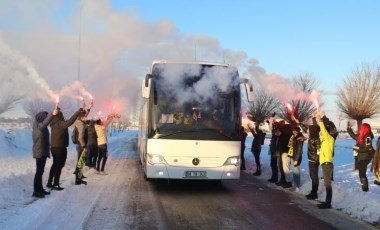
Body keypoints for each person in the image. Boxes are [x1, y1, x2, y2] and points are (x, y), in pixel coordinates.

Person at [47, 107, 84, 190]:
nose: (63, 117)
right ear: (59, 116)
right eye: (62, 115)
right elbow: (70, 122)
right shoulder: (59, 123)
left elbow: (69, 121)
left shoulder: (54, 122)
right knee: (59, 166)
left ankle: (50, 182)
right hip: (60, 148)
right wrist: (77, 112)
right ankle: (56, 184)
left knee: (55, 165)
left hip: (54, 148)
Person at [292, 115, 321, 200]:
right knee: (312, 176)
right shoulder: (312, 136)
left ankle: (314, 193)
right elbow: (305, 129)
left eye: (310, 129)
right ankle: (313, 191)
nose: (307, 130)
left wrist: (316, 159)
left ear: (313, 131)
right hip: (311, 159)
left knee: (314, 176)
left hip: (314, 160)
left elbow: (319, 151)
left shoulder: (316, 139)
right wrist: (299, 122)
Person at [32, 108, 58, 198]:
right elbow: (43, 125)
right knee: (39, 172)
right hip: (39, 152)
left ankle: (40, 189)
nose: (47, 118)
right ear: (42, 117)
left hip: (42, 152)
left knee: (41, 171)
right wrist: (52, 114)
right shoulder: (39, 126)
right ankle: (36, 191)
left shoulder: (41, 126)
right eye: (46, 117)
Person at [347, 122, 374, 192]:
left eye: (361, 128)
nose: (360, 129)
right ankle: (364, 189)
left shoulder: (368, 137)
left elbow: (367, 148)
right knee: (361, 173)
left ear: (364, 129)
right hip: (362, 157)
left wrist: (357, 148)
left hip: (365, 158)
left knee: (362, 174)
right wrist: (349, 129)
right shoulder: (362, 136)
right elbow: (354, 136)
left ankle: (365, 190)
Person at [316, 113, 335, 209]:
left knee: (328, 184)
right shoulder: (323, 140)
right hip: (324, 164)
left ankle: (328, 203)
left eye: (322, 132)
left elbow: (323, 130)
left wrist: (320, 120)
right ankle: (327, 202)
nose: (321, 133)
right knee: (326, 183)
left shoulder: (329, 138)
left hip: (327, 164)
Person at [283, 126, 305, 191]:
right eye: (293, 131)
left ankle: (297, 186)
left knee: (296, 172)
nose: (293, 132)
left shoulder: (299, 138)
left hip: (296, 157)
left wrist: (296, 159)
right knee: (294, 171)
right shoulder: (294, 137)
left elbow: (299, 150)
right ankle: (295, 185)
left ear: (297, 131)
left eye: (294, 131)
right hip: (293, 155)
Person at [73, 109, 89, 185]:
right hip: (80, 145)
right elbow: (80, 138)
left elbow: (84, 115)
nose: (86, 117)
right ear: (82, 116)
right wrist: (84, 146)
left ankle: (80, 176)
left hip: (79, 145)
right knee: (80, 162)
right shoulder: (81, 124)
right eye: (85, 115)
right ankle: (77, 180)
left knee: (81, 161)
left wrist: (89, 108)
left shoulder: (78, 121)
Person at [275, 122, 292, 188]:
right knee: (281, 167)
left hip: (285, 153)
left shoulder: (288, 134)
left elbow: (281, 130)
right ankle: (283, 180)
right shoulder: (283, 135)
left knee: (285, 168)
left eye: (284, 128)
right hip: (281, 152)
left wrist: (277, 123)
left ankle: (288, 182)